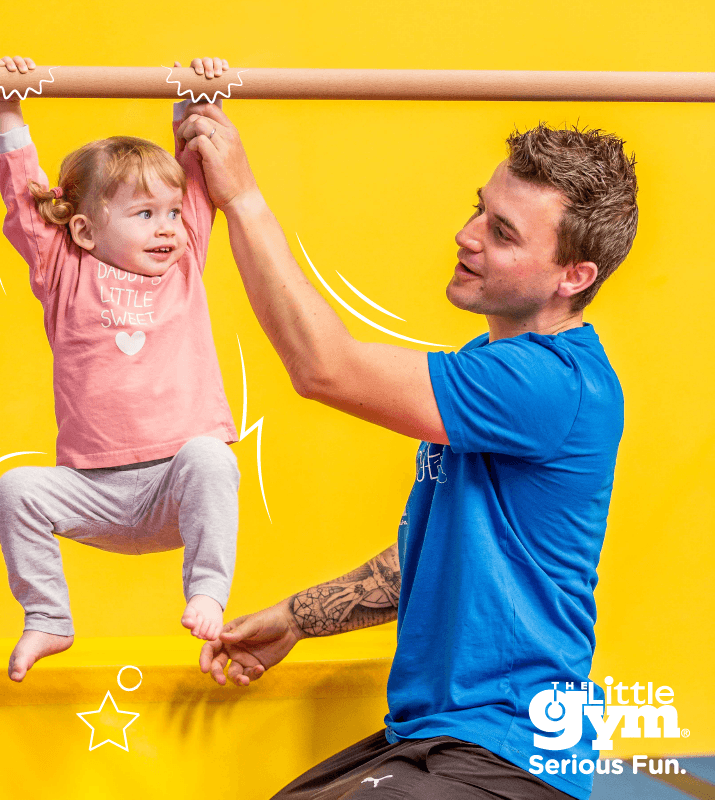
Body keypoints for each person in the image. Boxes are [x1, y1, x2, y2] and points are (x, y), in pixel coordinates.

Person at [177, 102, 637, 800]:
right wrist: (297, 617)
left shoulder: (550, 384)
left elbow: (324, 367)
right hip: (436, 738)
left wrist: (240, 197)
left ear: (572, 276)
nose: (466, 235)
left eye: (502, 232)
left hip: (509, 752)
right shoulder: (490, 369)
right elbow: (435, 555)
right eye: (479, 210)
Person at [0, 56, 240, 682]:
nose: (168, 228)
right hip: (92, 492)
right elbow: (23, 201)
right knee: (15, 489)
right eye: (144, 215)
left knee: (212, 457)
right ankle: (48, 616)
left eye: (173, 213)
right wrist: (8, 107)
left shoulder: (185, 261)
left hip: (175, 488)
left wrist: (195, 100)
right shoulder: (62, 270)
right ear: (82, 230)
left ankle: (207, 592)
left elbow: (199, 178)